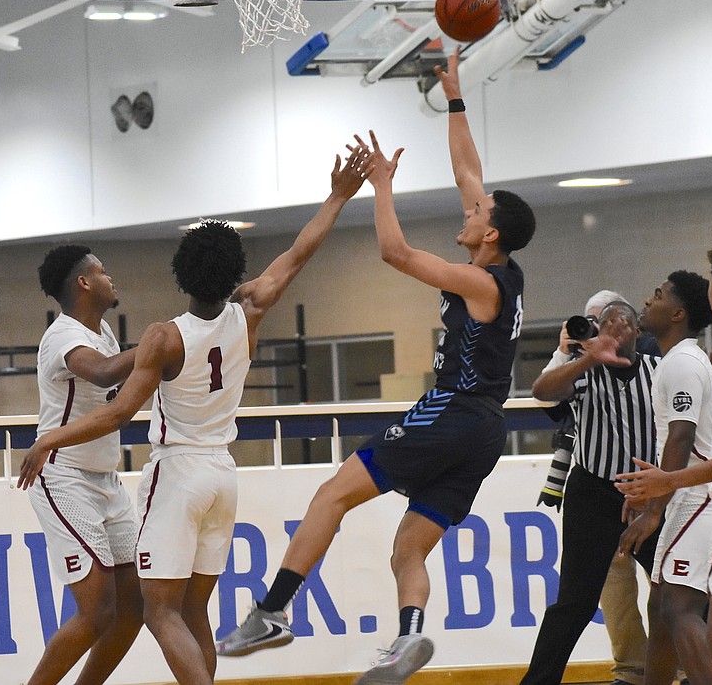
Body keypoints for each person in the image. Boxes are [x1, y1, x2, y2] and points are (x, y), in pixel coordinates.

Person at [217, 45, 536, 685]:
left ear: (491, 233)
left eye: (476, 213)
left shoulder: (481, 283)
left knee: (331, 494)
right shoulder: (502, 268)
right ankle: (407, 641)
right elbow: (470, 169)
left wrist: (382, 187)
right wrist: (453, 96)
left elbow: (394, 252)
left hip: (452, 413)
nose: (466, 209)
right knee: (409, 546)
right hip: (486, 433)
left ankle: (274, 611)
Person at [17, 151, 369, 685]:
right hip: (223, 472)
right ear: (235, 272)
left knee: (160, 612)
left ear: (183, 271)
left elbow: (118, 413)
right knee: (191, 610)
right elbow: (298, 253)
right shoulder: (250, 309)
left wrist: (49, 439)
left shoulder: (163, 336)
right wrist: (339, 196)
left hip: (177, 472)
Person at [519, 300, 663, 685]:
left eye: (623, 322)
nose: (615, 329)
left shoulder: (659, 370)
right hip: (592, 492)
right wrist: (582, 356)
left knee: (675, 594)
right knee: (575, 602)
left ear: (636, 331)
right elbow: (542, 392)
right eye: (606, 323)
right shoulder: (584, 373)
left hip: (649, 494)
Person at [24, 245, 142, 685]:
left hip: (106, 481)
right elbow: (106, 373)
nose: (111, 277)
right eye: (102, 270)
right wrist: (156, 343)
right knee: (97, 611)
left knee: (135, 607)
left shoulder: (104, 331)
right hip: (63, 476)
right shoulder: (62, 336)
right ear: (83, 283)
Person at [618, 271, 712, 685]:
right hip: (686, 497)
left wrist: (654, 509)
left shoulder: (684, 363)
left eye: (657, 295)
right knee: (661, 610)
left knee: (678, 609)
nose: (647, 299)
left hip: (699, 499)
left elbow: (681, 435)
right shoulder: (675, 361)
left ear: (677, 313)